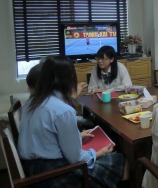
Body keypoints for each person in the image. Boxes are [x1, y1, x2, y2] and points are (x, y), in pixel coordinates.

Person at [17, 55, 127, 187]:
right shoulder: (62, 110)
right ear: (68, 79)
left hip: (33, 168)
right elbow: (76, 158)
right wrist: (99, 153)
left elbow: (45, 135)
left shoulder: (32, 102)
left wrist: (78, 136)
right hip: (54, 174)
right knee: (120, 160)